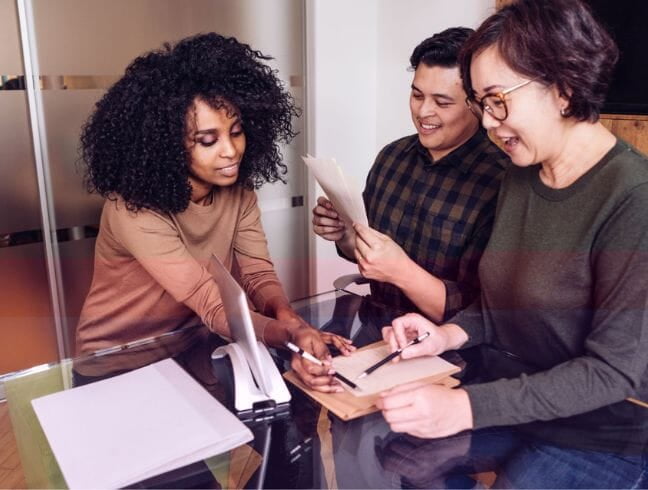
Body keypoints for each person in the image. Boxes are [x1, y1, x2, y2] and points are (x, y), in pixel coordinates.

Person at [378, 0, 648, 487]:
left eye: (499, 100)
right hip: (521, 396)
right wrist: (448, 335)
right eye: (482, 104)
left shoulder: (634, 199)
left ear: (564, 90)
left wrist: (465, 406)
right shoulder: (521, 174)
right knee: (405, 455)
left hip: (606, 431)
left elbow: (613, 373)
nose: (486, 122)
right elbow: (506, 303)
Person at [76, 33, 353, 393]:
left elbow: (257, 274)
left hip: (188, 350)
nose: (230, 151)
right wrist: (287, 335)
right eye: (208, 141)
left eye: (236, 132)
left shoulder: (238, 194)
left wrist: (291, 321)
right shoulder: (132, 209)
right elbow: (208, 300)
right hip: (116, 363)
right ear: (166, 145)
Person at [312, 27, 508, 322]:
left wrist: (402, 272)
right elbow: (363, 252)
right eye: (417, 95)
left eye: (442, 103)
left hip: (451, 355)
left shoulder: (500, 183)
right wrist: (344, 235)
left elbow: (481, 314)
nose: (423, 111)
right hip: (376, 330)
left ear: (477, 105)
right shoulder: (392, 158)